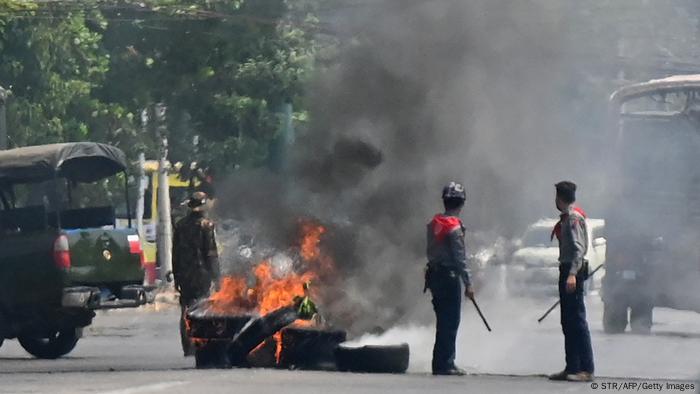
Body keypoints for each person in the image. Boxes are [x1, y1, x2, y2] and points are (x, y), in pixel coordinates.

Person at [425, 182, 474, 376]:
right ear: (461, 203)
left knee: (441, 321)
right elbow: (460, 258)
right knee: (450, 321)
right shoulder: (454, 228)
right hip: (449, 277)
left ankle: (439, 362)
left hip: (434, 276)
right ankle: (446, 364)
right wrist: (468, 284)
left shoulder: (434, 223)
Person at [548, 181, 595, 382]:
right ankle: (572, 366)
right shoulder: (568, 218)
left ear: (560, 198)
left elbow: (578, 249)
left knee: (577, 321)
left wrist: (572, 274)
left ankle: (586, 369)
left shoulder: (573, 219)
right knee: (567, 321)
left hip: (571, 270)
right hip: (567, 269)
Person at [172, 191, 220, 356]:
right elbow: (211, 254)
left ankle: (188, 346)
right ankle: (200, 343)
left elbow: (175, 254)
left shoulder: (180, 225)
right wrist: (217, 277)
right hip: (202, 275)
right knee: (202, 310)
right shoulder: (207, 226)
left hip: (185, 276)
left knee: (186, 310)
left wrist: (177, 277)